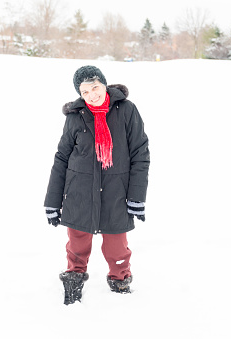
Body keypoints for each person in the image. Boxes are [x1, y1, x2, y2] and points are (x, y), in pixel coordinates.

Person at [44, 65, 150, 305]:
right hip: (79, 192)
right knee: (77, 245)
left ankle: (120, 280)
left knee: (117, 248)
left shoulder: (126, 111)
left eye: (95, 87)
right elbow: (62, 158)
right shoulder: (75, 116)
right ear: (80, 95)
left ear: (104, 84)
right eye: (85, 91)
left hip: (116, 192)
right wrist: (52, 201)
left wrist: (136, 196)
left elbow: (140, 154)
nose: (92, 94)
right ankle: (73, 278)